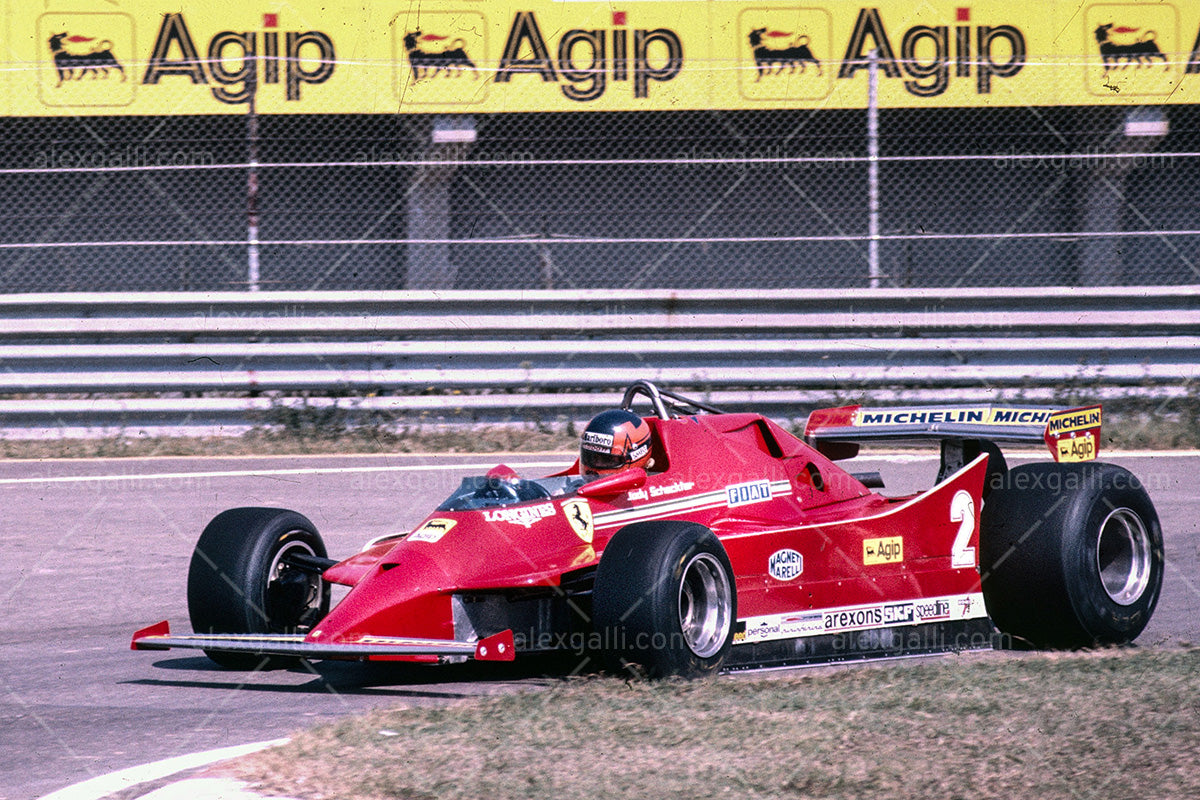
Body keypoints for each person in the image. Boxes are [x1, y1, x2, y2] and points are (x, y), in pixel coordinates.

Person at [579, 409, 654, 475]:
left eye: (607, 460)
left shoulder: (656, 489)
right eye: (591, 457)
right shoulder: (576, 485)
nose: (596, 464)